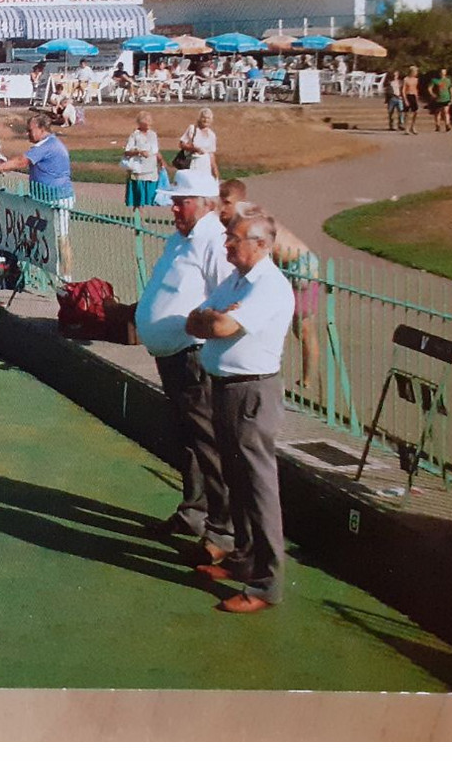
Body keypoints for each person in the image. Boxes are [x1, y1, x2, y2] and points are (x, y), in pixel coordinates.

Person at [185, 203, 295, 613]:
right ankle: (244, 559)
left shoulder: (268, 286)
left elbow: (219, 327)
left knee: (258, 487)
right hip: (226, 389)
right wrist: (212, 317)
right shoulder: (236, 279)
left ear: (261, 245)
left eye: (234, 238)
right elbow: (194, 321)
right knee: (236, 478)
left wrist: (214, 320)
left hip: (252, 394)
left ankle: (267, 584)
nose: (226, 244)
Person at [134, 168, 235, 563]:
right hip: (173, 358)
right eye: (174, 200)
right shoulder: (182, 239)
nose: (174, 207)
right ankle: (193, 513)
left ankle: (222, 533)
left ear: (204, 203)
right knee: (188, 441)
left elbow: (226, 303)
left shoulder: (213, 241)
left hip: (194, 358)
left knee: (209, 445)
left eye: (181, 201)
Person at [219, 179, 321, 399]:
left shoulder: (248, 215)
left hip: (301, 266)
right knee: (281, 322)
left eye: (227, 202)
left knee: (303, 328)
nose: (223, 208)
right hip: (285, 267)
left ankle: (308, 380)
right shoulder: (241, 217)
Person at [0, 112, 75, 278]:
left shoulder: (48, 145)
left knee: (60, 237)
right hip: (43, 198)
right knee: (37, 234)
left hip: (57, 198)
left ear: (41, 129)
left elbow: (21, 161)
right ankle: (40, 270)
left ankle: (64, 276)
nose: (27, 133)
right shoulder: (43, 145)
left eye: (30, 130)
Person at [122, 111, 162, 207]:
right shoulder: (135, 135)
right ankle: (138, 217)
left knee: (148, 197)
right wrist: (139, 152)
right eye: (146, 121)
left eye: (149, 121)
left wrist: (161, 162)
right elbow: (127, 151)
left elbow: (155, 151)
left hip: (151, 169)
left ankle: (143, 217)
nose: (149, 124)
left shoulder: (153, 134)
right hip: (139, 170)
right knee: (138, 197)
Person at [177, 108, 220, 180]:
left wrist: (215, 172)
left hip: (205, 166)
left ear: (211, 120)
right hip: (193, 163)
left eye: (208, 118)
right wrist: (194, 149)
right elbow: (181, 144)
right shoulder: (192, 129)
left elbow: (211, 155)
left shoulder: (212, 135)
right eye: (204, 117)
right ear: (200, 118)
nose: (206, 120)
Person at [427, 67, 452, 131]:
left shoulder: (448, 80)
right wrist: (432, 94)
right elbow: (429, 88)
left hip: (446, 97)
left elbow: (451, 89)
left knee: (446, 111)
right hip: (438, 99)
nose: (443, 74)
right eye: (442, 73)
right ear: (439, 73)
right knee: (438, 112)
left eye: (444, 72)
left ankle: (447, 124)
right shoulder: (435, 80)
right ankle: (437, 125)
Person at [401, 65, 421, 134]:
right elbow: (403, 90)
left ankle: (413, 126)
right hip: (408, 95)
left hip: (413, 96)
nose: (416, 73)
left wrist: (417, 97)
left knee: (416, 112)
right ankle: (406, 128)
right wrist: (405, 100)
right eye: (415, 71)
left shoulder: (416, 80)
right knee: (407, 113)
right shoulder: (406, 79)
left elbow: (416, 89)